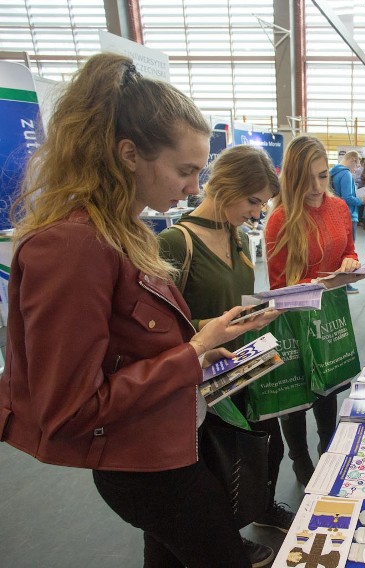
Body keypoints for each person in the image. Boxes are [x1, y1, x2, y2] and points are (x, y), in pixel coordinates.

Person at [0, 53, 276, 567]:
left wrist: (202, 338)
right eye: (185, 170)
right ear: (129, 154)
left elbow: (128, 343)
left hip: (167, 446)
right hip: (145, 466)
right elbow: (69, 408)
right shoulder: (73, 246)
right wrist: (191, 356)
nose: (194, 188)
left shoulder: (119, 232)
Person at [157, 145, 294, 552]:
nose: (257, 213)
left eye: (262, 204)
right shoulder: (175, 243)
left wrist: (259, 312)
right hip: (200, 377)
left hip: (242, 364)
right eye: (253, 201)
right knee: (221, 461)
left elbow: (232, 299)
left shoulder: (236, 235)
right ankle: (227, 538)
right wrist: (210, 330)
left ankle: (262, 507)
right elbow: (161, 325)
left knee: (266, 445)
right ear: (227, 186)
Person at [265, 136, 361, 486]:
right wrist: (316, 283)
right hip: (294, 320)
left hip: (331, 311)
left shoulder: (336, 208)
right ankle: (300, 460)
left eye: (323, 176)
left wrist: (351, 261)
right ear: (292, 178)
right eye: (309, 180)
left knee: (330, 385)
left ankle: (327, 448)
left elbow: (349, 248)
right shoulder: (280, 219)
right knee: (297, 394)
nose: (318, 187)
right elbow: (278, 285)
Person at [330, 150, 365, 294]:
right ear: (352, 160)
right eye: (357, 164)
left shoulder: (333, 172)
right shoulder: (346, 174)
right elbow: (347, 198)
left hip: (336, 216)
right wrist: (361, 200)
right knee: (347, 252)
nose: (357, 168)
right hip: (348, 216)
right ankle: (345, 284)